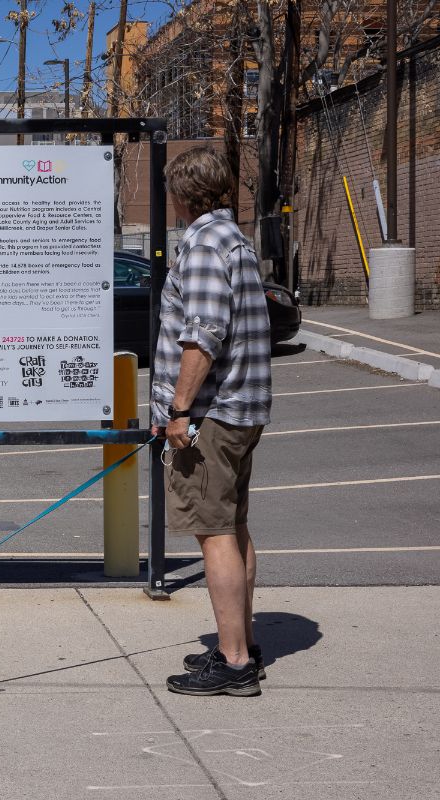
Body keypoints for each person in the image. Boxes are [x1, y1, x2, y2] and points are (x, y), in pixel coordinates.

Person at [150, 147, 272, 697]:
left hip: (211, 416)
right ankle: (240, 643)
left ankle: (235, 661)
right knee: (235, 527)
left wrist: (178, 410)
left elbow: (203, 335)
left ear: (181, 193)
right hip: (241, 410)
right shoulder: (236, 240)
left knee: (214, 533)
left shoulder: (202, 246)